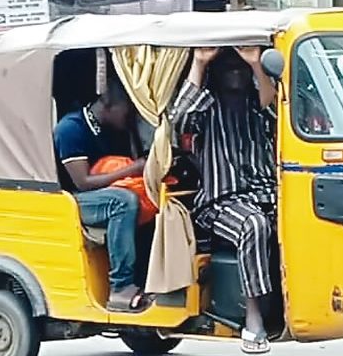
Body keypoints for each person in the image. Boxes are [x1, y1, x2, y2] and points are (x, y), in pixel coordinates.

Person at [168, 46, 277, 354]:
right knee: (253, 226)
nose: (236, 73)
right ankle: (252, 319)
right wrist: (201, 62)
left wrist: (255, 63)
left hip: (265, 196)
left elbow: (273, 106)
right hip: (219, 203)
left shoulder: (257, 105)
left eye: (240, 68)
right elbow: (179, 119)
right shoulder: (207, 109)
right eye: (228, 67)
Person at [54, 76, 149, 313]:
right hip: (73, 200)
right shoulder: (71, 128)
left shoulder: (110, 128)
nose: (129, 118)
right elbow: (84, 182)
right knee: (124, 202)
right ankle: (120, 286)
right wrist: (135, 167)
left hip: (100, 194)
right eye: (127, 111)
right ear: (108, 106)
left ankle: (147, 278)